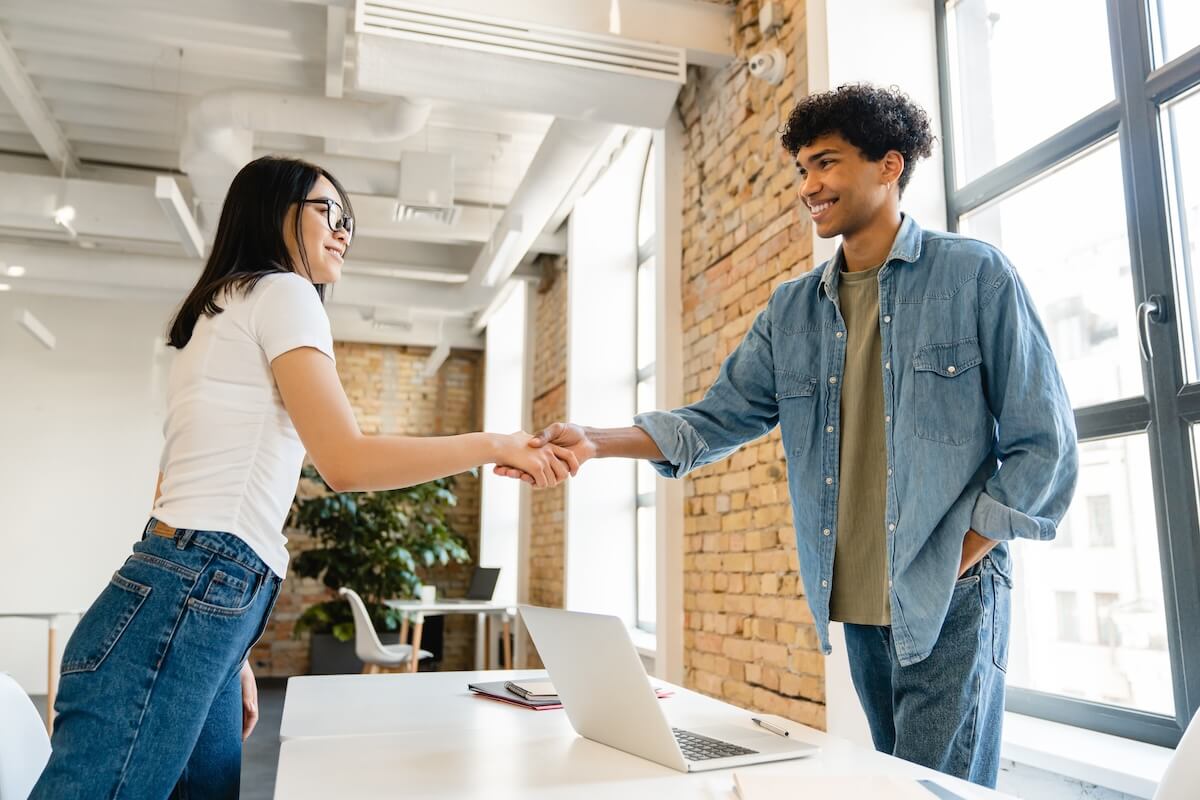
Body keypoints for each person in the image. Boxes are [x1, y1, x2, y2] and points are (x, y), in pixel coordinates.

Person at [498, 84, 1078, 787]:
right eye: (802, 170)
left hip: (951, 596)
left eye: (826, 164)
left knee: (933, 790)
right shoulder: (792, 309)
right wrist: (595, 438)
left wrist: (963, 551)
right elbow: (715, 419)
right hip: (857, 605)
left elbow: (1043, 441)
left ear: (889, 166)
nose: (810, 186)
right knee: (896, 783)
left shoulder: (975, 275)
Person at [32, 156, 577, 799]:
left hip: (194, 590)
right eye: (329, 212)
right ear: (273, 211)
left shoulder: (223, 309)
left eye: (349, 219)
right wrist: (494, 443)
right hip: (197, 586)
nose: (344, 231)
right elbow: (344, 462)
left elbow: (173, 489)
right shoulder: (282, 291)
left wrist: (225, 648)